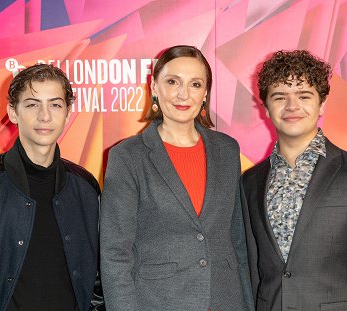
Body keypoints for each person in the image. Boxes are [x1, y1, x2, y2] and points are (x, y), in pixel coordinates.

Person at [0, 64, 103, 311]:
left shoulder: (87, 188)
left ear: (68, 113)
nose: (44, 116)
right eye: (32, 104)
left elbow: (101, 274)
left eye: (55, 105)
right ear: (13, 112)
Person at [100, 45, 254, 311]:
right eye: (173, 82)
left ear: (205, 94)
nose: (184, 94)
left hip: (226, 300)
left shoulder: (228, 150)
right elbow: (115, 254)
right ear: (155, 87)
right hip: (159, 302)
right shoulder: (127, 157)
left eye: (195, 84)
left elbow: (237, 240)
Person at [241, 50, 347, 310]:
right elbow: (254, 272)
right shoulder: (250, 182)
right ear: (266, 108)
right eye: (280, 97)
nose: (292, 106)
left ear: (321, 104)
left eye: (304, 96)